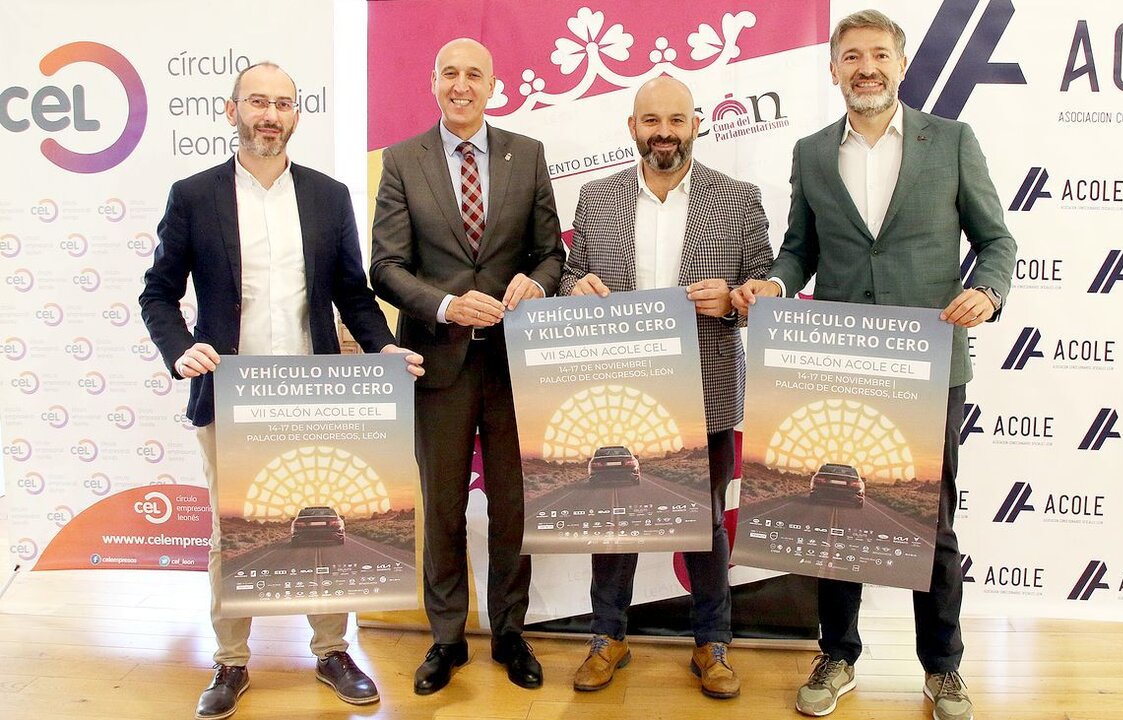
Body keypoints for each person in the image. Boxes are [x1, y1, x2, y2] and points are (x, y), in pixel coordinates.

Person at [731, 10, 1016, 720]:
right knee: (838, 518)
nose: (866, 67)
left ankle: (943, 668)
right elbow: (801, 248)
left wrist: (986, 290)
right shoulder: (811, 152)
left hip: (928, 364)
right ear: (834, 69)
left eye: (879, 55)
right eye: (852, 55)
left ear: (900, 62)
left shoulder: (950, 141)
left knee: (933, 523)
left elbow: (997, 241)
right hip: (839, 362)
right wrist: (774, 279)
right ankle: (838, 654)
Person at [139, 62, 424, 720]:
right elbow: (158, 292)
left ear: (297, 114)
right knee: (228, 533)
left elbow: (353, 294)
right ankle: (230, 663)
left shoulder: (327, 196)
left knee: (326, 528)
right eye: (258, 102)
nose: (270, 114)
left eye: (283, 104)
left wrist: (382, 348)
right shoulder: (193, 195)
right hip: (228, 394)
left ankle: (331, 650)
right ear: (232, 109)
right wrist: (181, 350)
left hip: (316, 391)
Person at [560, 76, 773, 699]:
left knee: (706, 522)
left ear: (696, 125)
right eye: (651, 120)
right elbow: (574, 271)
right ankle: (608, 636)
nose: (664, 132)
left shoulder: (737, 198)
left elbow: (763, 281)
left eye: (676, 120)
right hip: (617, 393)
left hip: (704, 385)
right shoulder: (596, 199)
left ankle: (712, 644)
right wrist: (574, 286)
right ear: (632, 127)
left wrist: (735, 301)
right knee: (614, 515)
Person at [369, 37, 564, 695]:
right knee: (443, 508)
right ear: (433, 82)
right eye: (449, 72)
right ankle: (446, 639)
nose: (461, 84)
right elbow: (386, 267)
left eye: (473, 74)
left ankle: (510, 633)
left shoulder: (527, 154)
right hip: (439, 364)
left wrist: (535, 285)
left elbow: (549, 253)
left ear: (492, 85)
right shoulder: (402, 161)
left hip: (515, 367)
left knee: (513, 509)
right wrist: (448, 305)